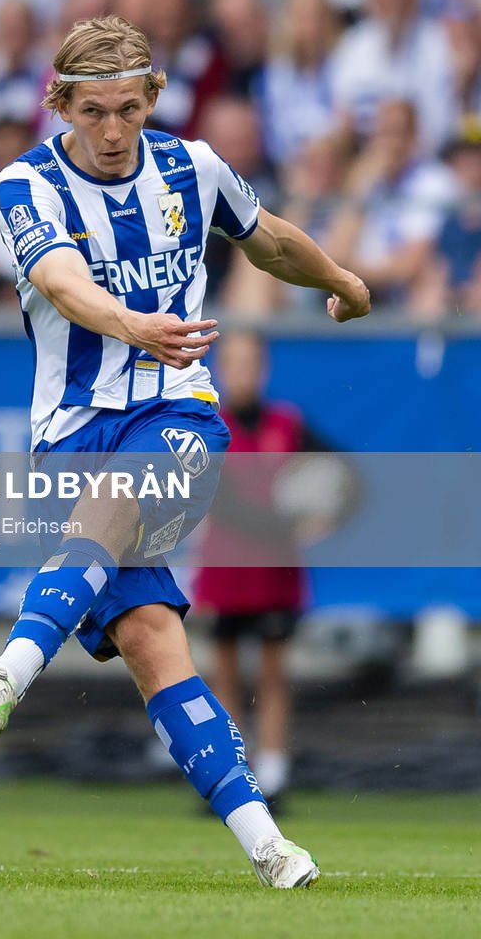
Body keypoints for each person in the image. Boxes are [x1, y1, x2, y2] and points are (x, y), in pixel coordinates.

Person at [0, 14, 370, 888]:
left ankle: (9, 673)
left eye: (128, 110)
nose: (110, 131)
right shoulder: (24, 185)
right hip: (69, 427)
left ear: (153, 101)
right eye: (92, 111)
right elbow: (60, 279)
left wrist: (342, 280)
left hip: (179, 410)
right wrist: (133, 322)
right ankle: (268, 845)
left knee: (132, 485)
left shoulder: (193, 166)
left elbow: (270, 238)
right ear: (58, 103)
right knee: (148, 640)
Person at [191, 331, 320, 810]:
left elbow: (341, 472)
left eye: (249, 363)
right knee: (223, 675)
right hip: (225, 569)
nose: (241, 372)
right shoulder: (207, 426)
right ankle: (230, 776)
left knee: (271, 673)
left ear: (262, 369)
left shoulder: (288, 425)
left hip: (274, 572)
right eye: (233, 363)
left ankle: (273, 774)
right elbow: (221, 503)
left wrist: (320, 517)